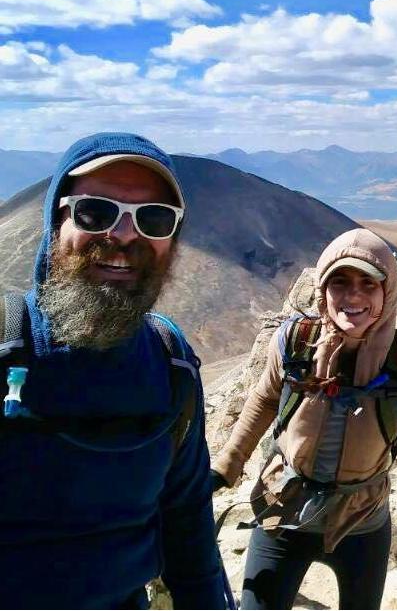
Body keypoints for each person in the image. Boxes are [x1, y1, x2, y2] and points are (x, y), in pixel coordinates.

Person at [0, 132, 232, 609]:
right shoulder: (7, 348)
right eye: (95, 212)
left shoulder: (171, 366)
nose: (125, 235)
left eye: (154, 219)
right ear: (55, 222)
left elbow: (187, 527)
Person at [211, 228, 397, 610]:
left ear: (386, 292)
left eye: (367, 284)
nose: (353, 296)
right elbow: (264, 401)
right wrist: (225, 467)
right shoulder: (293, 343)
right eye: (339, 282)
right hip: (283, 513)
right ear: (323, 290)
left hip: (361, 523)